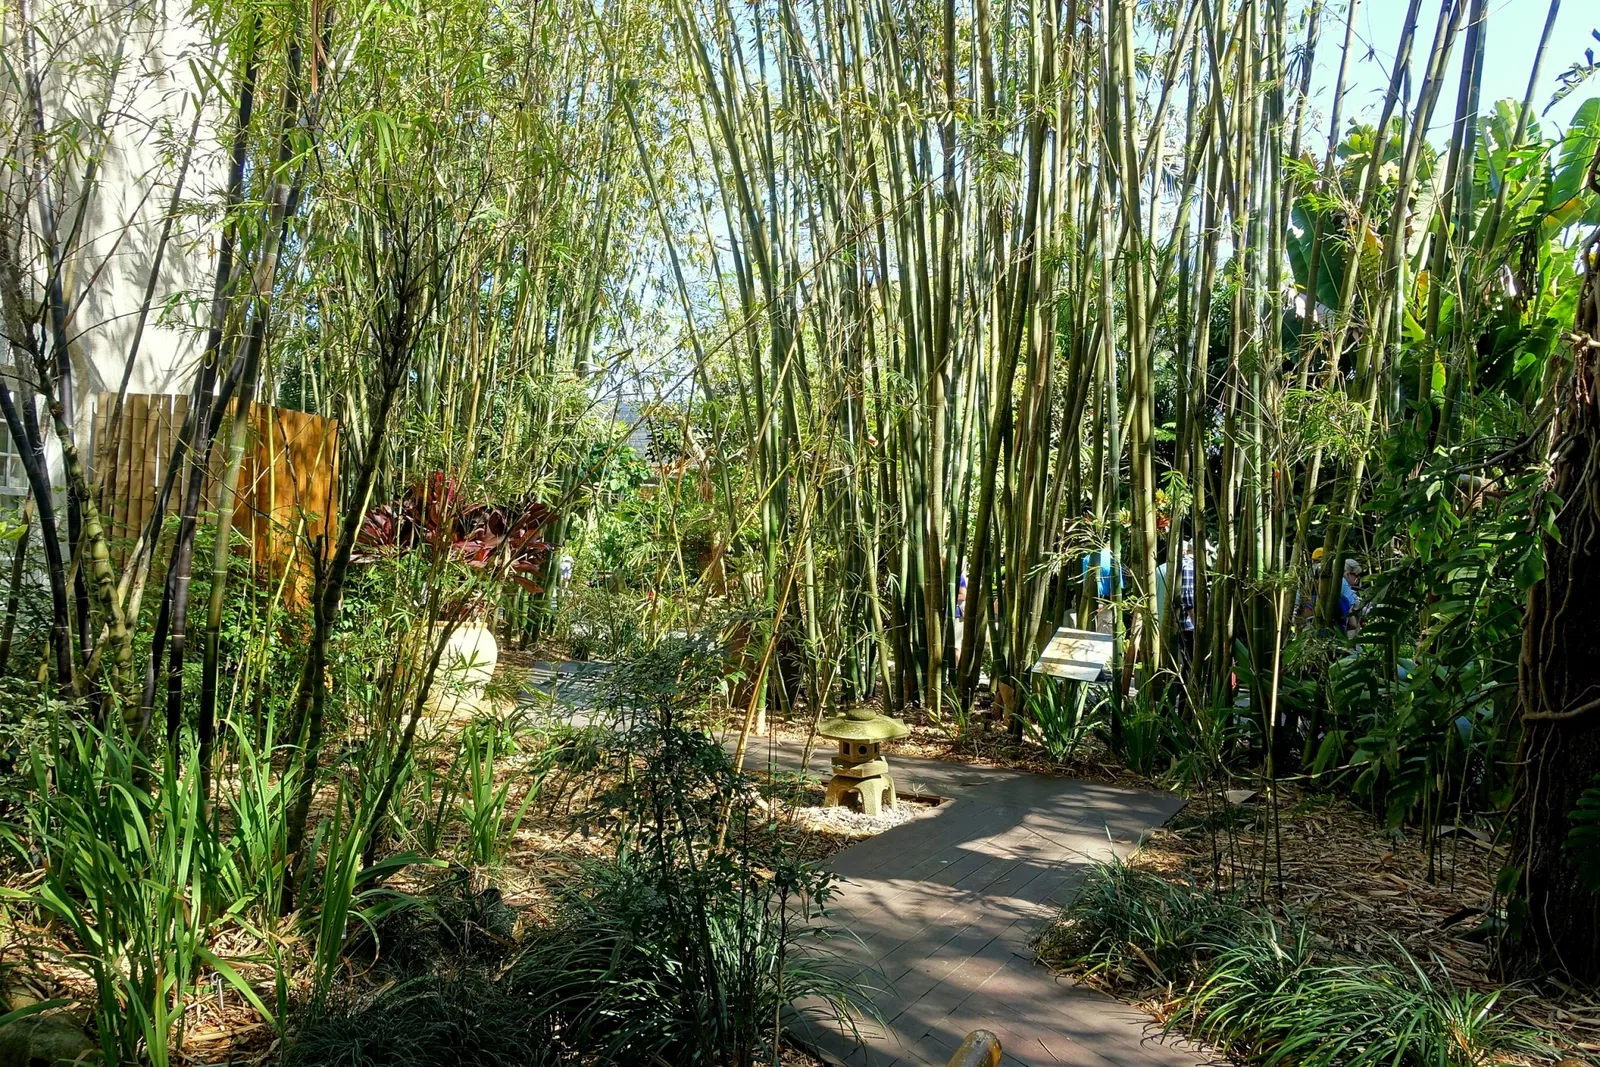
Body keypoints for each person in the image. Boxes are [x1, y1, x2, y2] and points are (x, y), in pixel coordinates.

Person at [1340, 558, 1364, 634]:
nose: (1358, 578)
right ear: (1348, 574)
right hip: (1347, 630)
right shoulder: (1342, 584)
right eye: (1356, 575)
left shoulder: (1342, 584)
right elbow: (1351, 608)